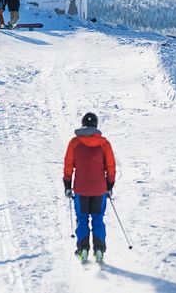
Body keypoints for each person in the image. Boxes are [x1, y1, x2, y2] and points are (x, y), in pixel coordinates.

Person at [63, 112, 116, 262]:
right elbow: (111, 167)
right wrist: (109, 185)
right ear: (96, 125)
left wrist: (67, 185)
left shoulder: (74, 143)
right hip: (100, 190)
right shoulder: (104, 144)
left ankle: (83, 249)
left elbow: (68, 166)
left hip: (81, 190)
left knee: (82, 218)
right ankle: (99, 249)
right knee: (98, 218)